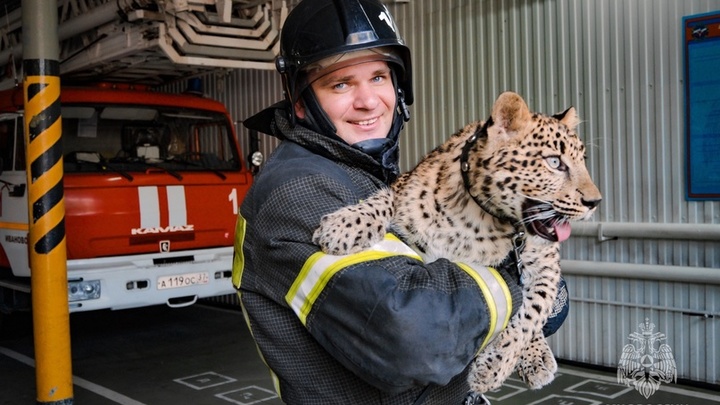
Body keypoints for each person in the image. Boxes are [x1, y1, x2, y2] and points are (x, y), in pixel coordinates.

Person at [232, 0, 569, 404]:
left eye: (378, 76)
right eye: (340, 84)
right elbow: (417, 339)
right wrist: (522, 279)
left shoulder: (360, 171)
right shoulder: (297, 191)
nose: (369, 100)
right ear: (301, 101)